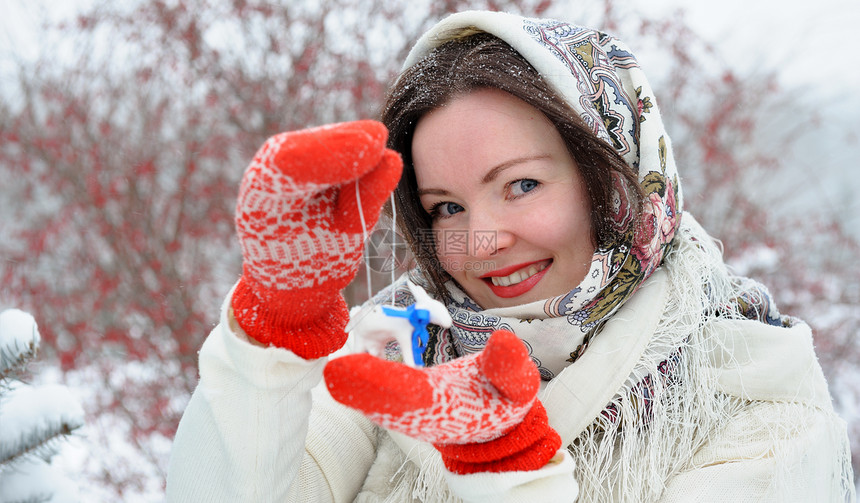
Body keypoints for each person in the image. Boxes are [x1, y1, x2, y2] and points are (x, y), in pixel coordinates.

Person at [165, 10, 855, 502]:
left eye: (520, 184)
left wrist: (505, 465)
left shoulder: (749, 399)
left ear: (611, 181)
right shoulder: (396, 349)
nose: (483, 238)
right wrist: (274, 333)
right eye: (447, 207)